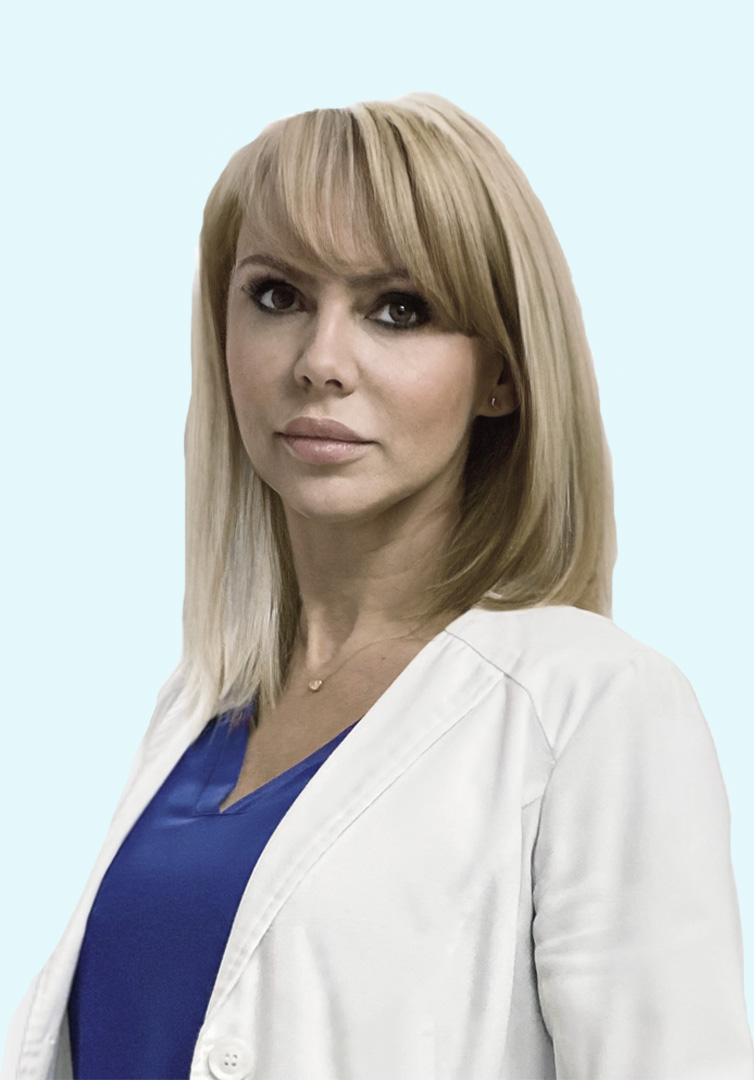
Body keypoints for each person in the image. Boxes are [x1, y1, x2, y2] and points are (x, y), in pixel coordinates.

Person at [4, 92, 753, 1080]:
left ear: (502, 376)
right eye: (277, 296)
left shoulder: (591, 705)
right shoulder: (199, 707)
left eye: (399, 310)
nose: (321, 363)